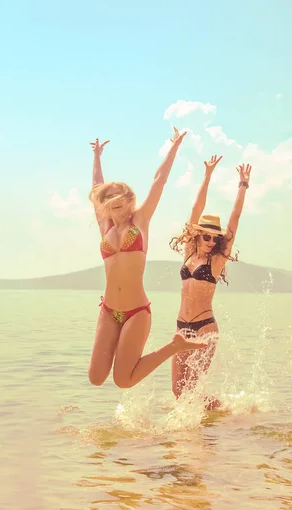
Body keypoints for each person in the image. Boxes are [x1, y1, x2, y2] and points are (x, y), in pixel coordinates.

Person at [87, 128, 207, 390]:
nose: (113, 200)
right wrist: (97, 156)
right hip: (109, 310)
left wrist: (174, 146)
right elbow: (97, 187)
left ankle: (174, 346)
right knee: (95, 378)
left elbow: (159, 180)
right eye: (108, 198)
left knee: (123, 380)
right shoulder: (104, 225)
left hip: (136, 312)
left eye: (119, 195)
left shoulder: (140, 221)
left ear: (129, 200)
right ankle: (175, 345)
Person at [169, 158, 252, 409]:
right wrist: (207, 175)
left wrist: (243, 185)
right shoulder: (188, 253)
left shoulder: (217, 261)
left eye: (214, 238)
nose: (210, 241)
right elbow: (195, 210)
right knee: (177, 390)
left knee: (193, 390)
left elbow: (234, 221)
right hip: (182, 327)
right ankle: (220, 414)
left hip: (205, 328)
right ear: (197, 234)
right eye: (206, 236)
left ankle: (218, 419)